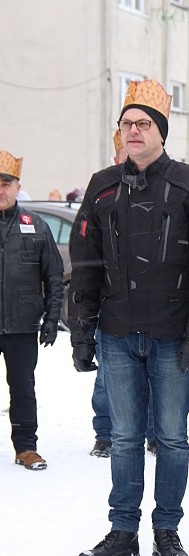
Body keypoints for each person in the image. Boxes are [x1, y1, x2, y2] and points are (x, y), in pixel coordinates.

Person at [70, 79, 189, 556]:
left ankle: (167, 531)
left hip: (172, 335)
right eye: (126, 125)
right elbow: (87, 260)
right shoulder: (102, 185)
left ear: (160, 131)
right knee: (123, 437)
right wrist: (82, 329)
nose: (133, 132)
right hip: (116, 332)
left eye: (143, 124)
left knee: (173, 437)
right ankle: (123, 533)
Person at [89, 129, 156, 459]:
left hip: (152, 308)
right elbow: (89, 256)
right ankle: (104, 432)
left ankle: (153, 433)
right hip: (112, 305)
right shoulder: (103, 194)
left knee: (155, 377)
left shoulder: (157, 195)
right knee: (106, 378)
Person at [0, 149, 64, 471]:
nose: (0, 188)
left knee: (23, 388)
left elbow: (54, 275)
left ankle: (26, 448)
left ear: (17, 186)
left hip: (22, 326)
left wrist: (51, 318)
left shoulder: (35, 225)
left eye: (6, 182)